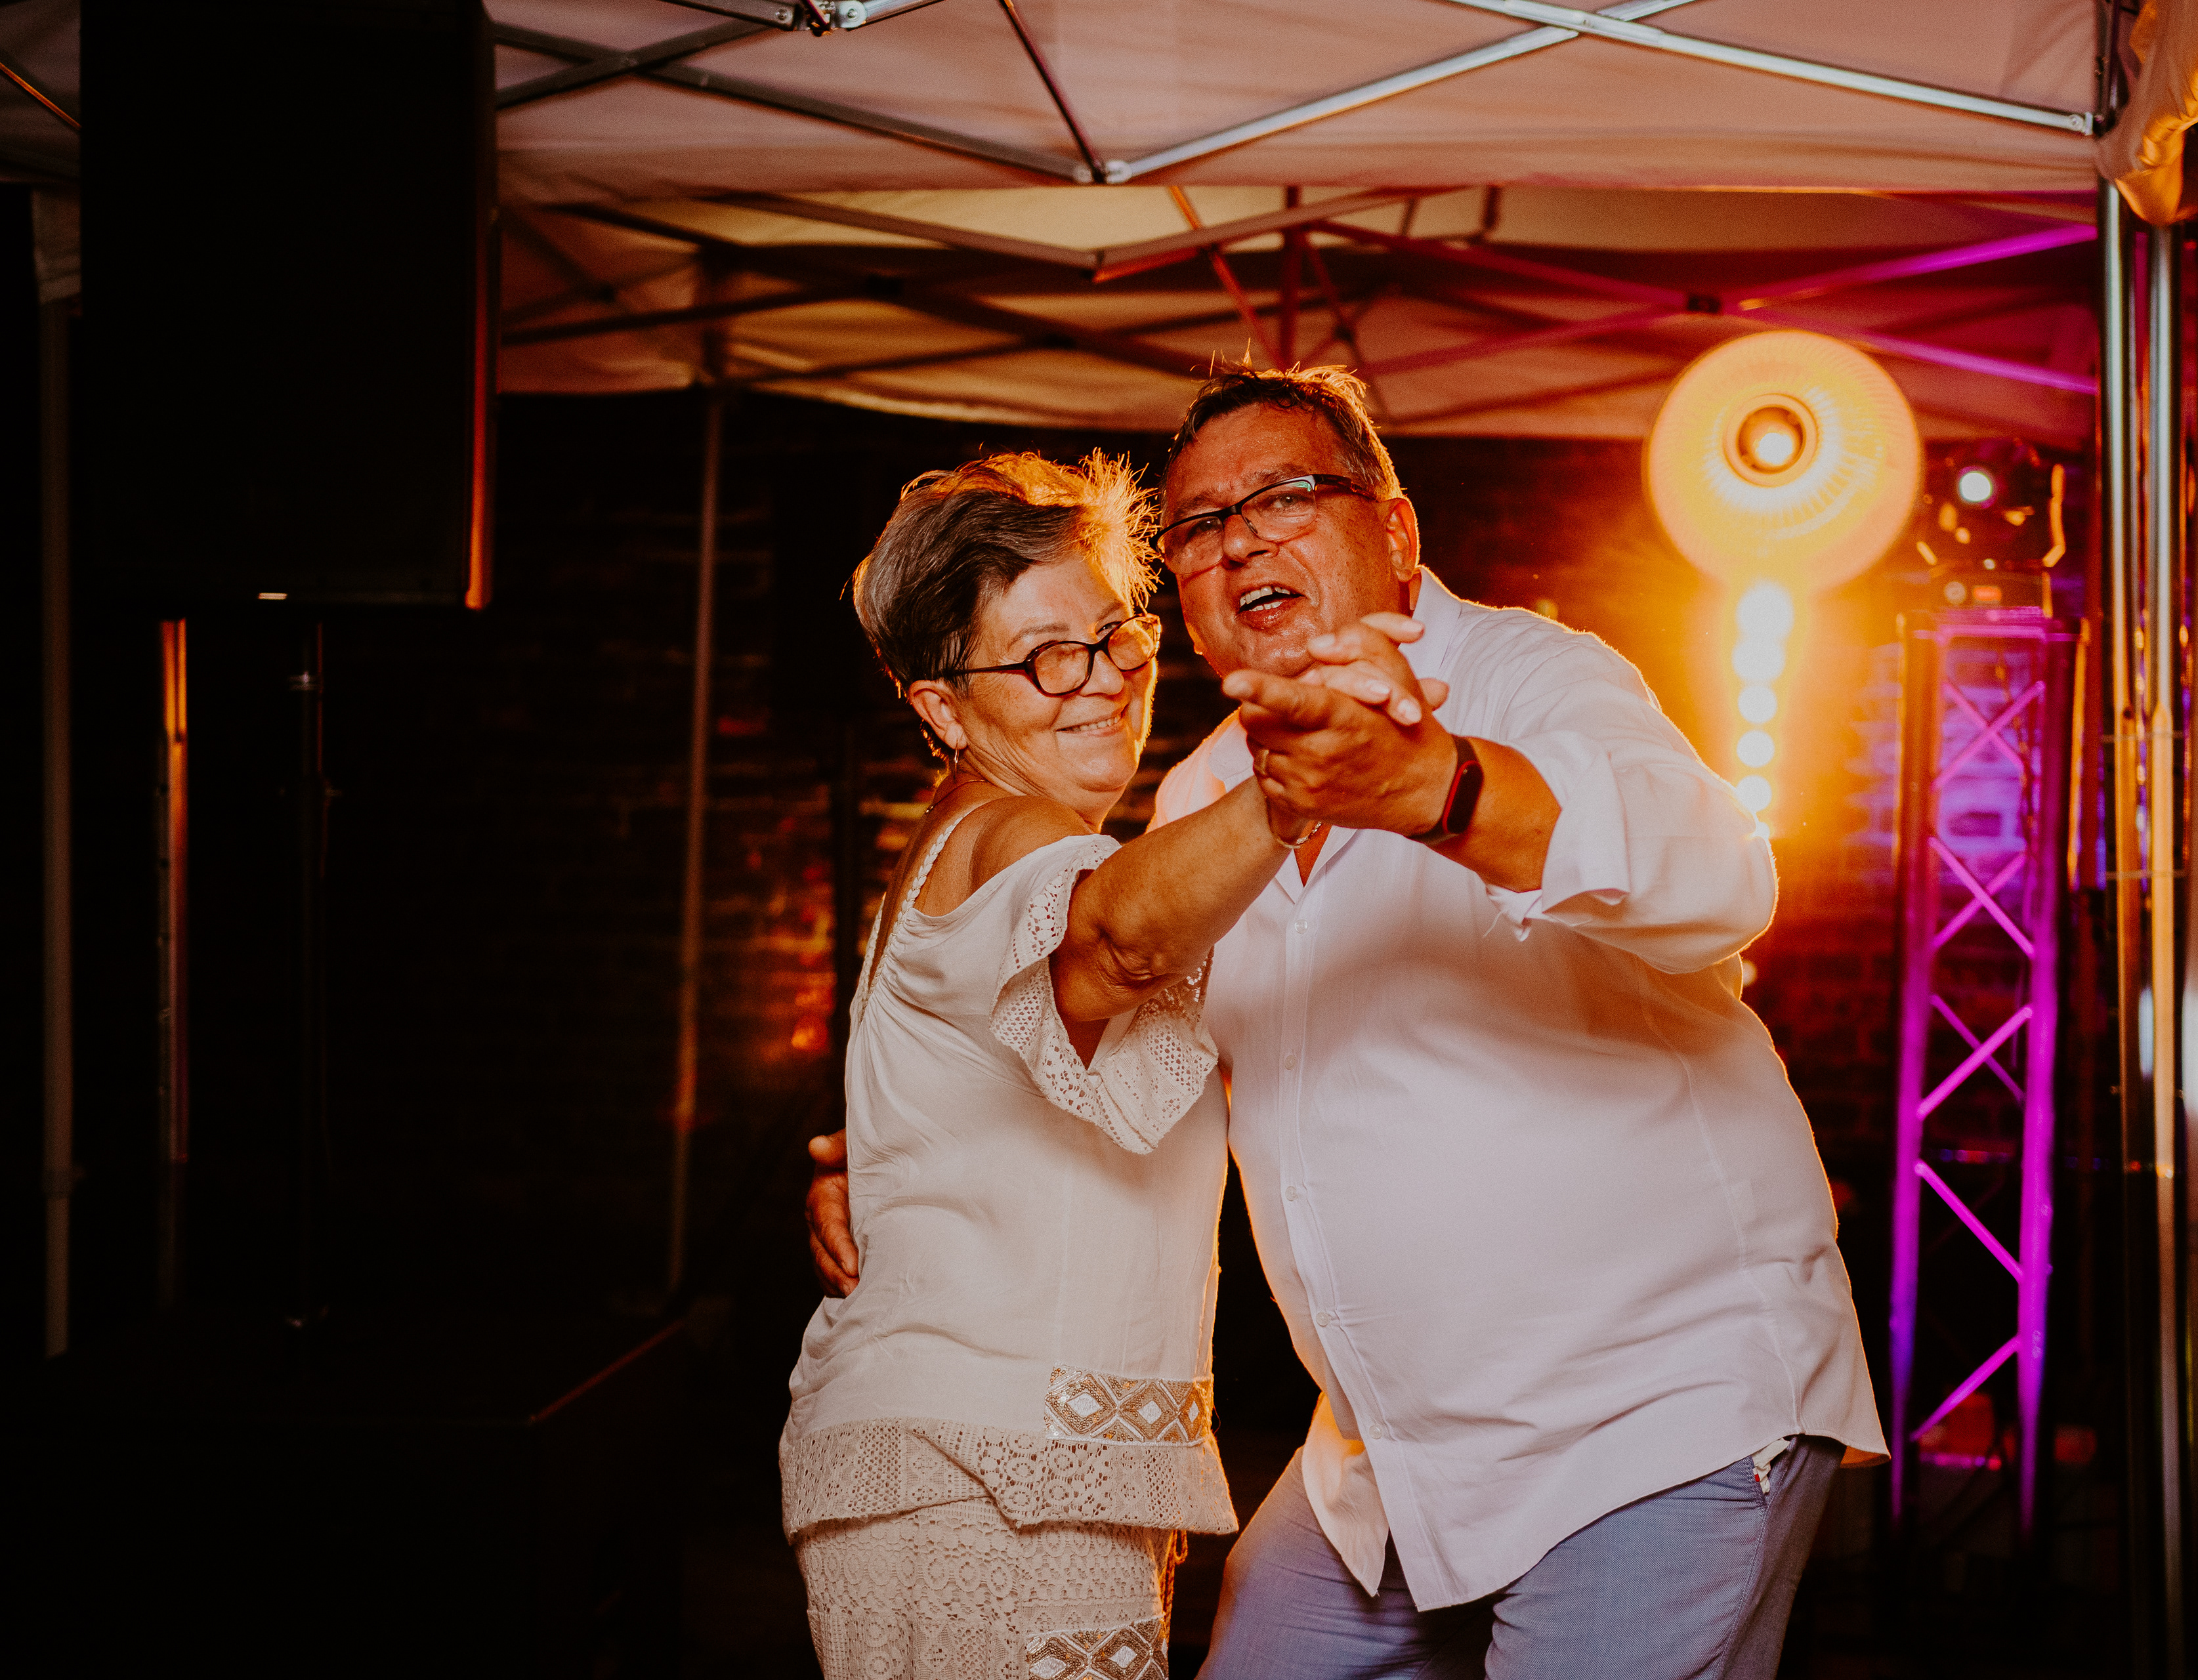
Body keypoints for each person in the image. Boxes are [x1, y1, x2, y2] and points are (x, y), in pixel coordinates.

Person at [811, 369, 1885, 1679]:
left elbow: (1720, 875)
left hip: (1646, 1414)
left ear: (1397, 530)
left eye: (1286, 497)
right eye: (1200, 526)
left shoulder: (1527, 675)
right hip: (1389, 1458)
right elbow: (1127, 1046)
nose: (1240, 541)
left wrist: (1437, 785)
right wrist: (918, 1147)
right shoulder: (1205, 791)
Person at [782, 451, 1397, 1680]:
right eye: (1045, 657)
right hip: (981, 1474)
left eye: (1116, 633)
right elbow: (1116, 942)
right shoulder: (1010, 833)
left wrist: (872, 1162)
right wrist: (1303, 780)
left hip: (996, 1467)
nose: (1107, 677)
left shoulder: (986, 844)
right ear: (942, 709)